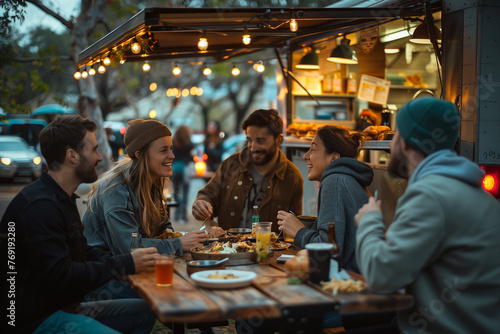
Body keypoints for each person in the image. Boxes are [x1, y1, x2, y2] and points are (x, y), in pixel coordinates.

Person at [0, 115, 158, 334]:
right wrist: (125, 263)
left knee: (145, 309)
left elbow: (82, 253)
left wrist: (126, 262)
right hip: (35, 321)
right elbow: (62, 277)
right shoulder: (40, 207)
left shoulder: (60, 197)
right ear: (72, 156)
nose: (100, 157)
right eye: (93, 150)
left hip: (60, 305)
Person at [355, 97, 500, 333]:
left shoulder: (429, 195)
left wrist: (370, 221)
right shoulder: (474, 192)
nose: (391, 144)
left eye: (396, 134)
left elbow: (381, 277)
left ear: (406, 143)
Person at [83, 119, 206, 257]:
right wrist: (178, 244)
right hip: (106, 272)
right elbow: (130, 248)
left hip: (132, 269)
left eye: (171, 149)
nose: (172, 156)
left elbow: (163, 230)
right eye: (163, 150)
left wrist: (195, 238)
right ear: (139, 154)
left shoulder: (153, 182)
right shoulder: (116, 190)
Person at [277, 125, 373, 273]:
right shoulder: (343, 179)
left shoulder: (334, 181)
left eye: (313, 149)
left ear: (333, 158)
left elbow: (328, 251)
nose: (305, 156)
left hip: (352, 283)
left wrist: (298, 231)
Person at [192, 109, 304, 233]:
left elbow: (294, 228)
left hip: (269, 251)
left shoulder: (292, 177)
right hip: (228, 249)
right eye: (250, 140)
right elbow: (208, 195)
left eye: (261, 141)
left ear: (278, 141)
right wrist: (201, 203)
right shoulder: (231, 165)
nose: (253, 147)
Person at [172, 125, 194, 222]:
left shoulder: (174, 142)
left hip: (174, 170)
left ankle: (177, 214)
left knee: (176, 193)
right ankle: (184, 215)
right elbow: (191, 158)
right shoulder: (188, 143)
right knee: (185, 193)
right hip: (185, 170)